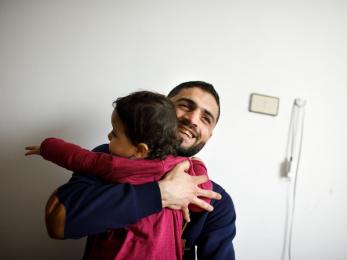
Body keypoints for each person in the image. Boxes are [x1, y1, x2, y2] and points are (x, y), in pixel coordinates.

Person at [44, 81, 236, 260]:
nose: (193, 119)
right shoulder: (109, 158)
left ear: (208, 136)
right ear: (164, 107)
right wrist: (161, 192)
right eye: (185, 105)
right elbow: (59, 222)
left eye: (205, 118)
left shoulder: (217, 201)